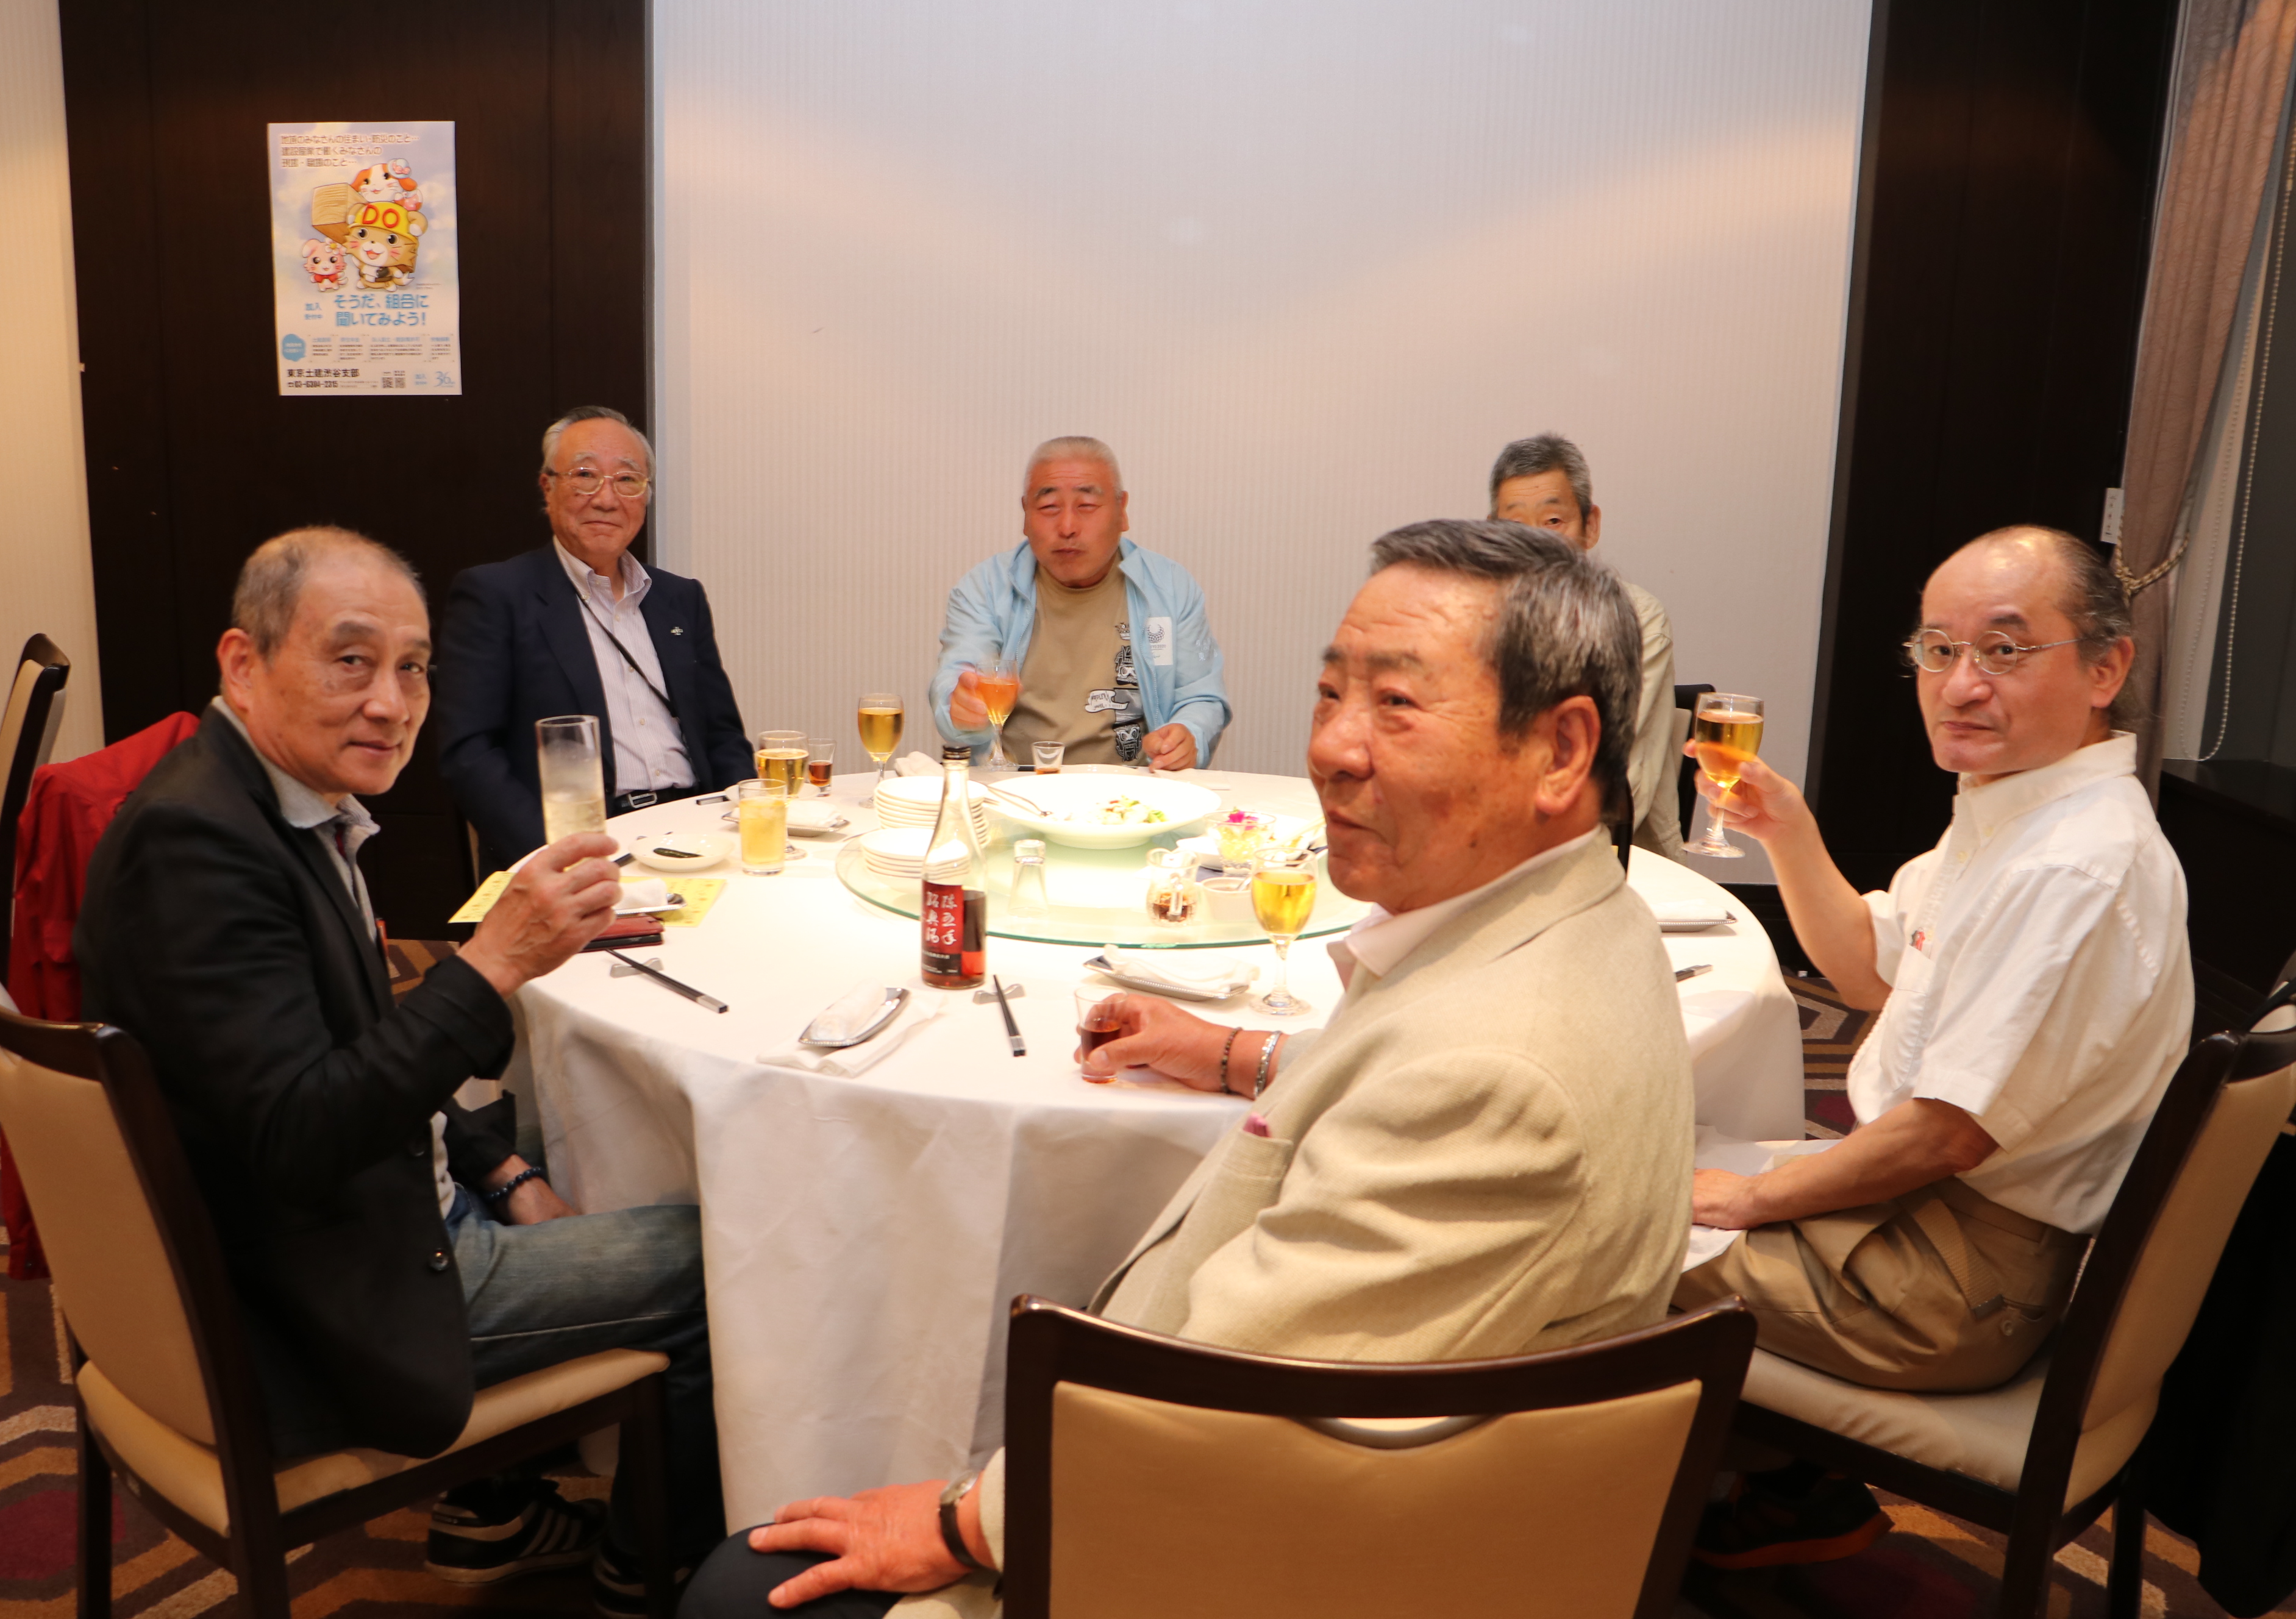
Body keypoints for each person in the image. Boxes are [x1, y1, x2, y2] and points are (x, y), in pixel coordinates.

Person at [682, 519, 1695, 1617]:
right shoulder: (1577, 925)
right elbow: (1405, 1077)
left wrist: (957, 1522)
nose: (1332, 747)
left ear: (1561, 751)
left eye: (1396, 703)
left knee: (744, 1584)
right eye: (1328, 694)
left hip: (1262, 1557)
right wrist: (1224, 1050)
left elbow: (1206, 1407)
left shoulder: (1499, 1079)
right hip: (1348, 1492)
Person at [76, 527, 725, 1614]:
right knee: (723, 1257)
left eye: (414, 667)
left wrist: (500, 1169)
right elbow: (301, 1133)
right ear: (243, 663)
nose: (391, 702)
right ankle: (647, 1566)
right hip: (321, 1295)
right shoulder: (197, 848)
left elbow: (356, 1043)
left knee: (566, 1139)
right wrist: (491, 966)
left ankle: (495, 1507)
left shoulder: (272, 803)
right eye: (351, 660)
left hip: (341, 1217)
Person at [1672, 525, 2192, 1568]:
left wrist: (1748, 1199)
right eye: (1938, 649)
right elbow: (1872, 974)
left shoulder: (2072, 864)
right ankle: (1785, 1485)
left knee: (1595, 1222)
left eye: (2004, 649)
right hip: (1931, 1222)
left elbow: (1944, 1136)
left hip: (1954, 1282)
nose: (1959, 685)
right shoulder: (2018, 812)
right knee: (1665, 1165)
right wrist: (1785, 830)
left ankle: (1596, 1519)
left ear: (2105, 668)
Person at [436, 407, 754, 869]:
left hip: (697, 830)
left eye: (627, 480)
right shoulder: (496, 594)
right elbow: (470, 755)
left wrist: (744, 824)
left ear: (645, 496)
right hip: (582, 841)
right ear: (547, 487)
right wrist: (554, 856)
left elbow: (722, 734)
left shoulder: (680, 598)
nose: (606, 499)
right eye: (585, 476)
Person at [930, 436, 1229, 770]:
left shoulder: (1170, 588)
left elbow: (1202, 697)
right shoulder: (985, 589)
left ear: (1122, 510)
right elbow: (956, 677)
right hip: (1015, 787)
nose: (1068, 527)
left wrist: (1189, 734)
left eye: (1086, 506)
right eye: (1049, 507)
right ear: (1026, 515)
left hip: (1132, 789)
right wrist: (961, 708)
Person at [1491, 432, 1684, 859]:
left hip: (1615, 860)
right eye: (1515, 527)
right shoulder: (1473, 620)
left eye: (1553, 522)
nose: (1537, 543)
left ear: (1590, 526)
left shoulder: (1637, 620)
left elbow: (1611, 783)